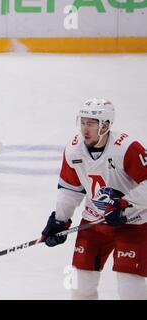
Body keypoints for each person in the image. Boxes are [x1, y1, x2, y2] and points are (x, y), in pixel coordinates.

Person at [41, 98, 147, 299]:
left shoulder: (126, 148)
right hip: (94, 223)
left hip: (133, 223)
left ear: (105, 125)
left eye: (91, 123)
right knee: (80, 285)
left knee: (129, 288)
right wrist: (60, 221)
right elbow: (70, 189)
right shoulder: (73, 150)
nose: (84, 128)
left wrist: (125, 207)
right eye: (82, 122)